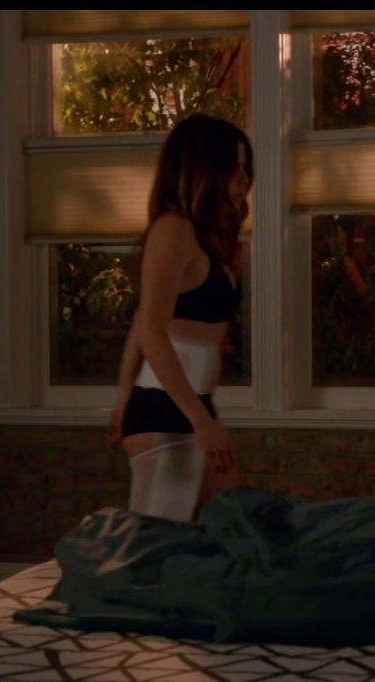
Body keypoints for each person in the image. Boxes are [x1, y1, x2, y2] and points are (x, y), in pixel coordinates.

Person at [105, 114, 252, 523]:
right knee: (157, 548)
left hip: (193, 405)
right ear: (203, 170)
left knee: (231, 531)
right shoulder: (173, 230)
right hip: (165, 410)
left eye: (246, 168)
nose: (244, 180)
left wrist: (123, 399)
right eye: (234, 168)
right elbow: (152, 331)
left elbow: (142, 319)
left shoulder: (214, 239)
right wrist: (198, 420)